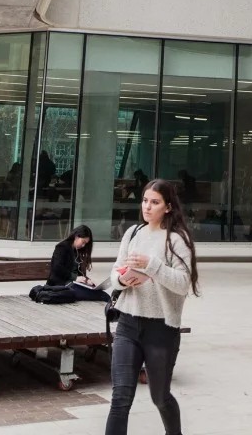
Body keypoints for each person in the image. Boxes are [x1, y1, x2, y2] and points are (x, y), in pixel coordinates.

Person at [108, 178, 198, 435]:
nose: (147, 207)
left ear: (168, 207)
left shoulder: (177, 240)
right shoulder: (133, 233)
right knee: (120, 398)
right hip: (128, 324)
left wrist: (152, 266)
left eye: (155, 202)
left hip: (161, 329)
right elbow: (115, 272)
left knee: (160, 397)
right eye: (145, 200)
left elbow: (183, 284)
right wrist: (123, 279)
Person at [48, 225, 111, 301]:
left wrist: (86, 280)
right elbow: (57, 268)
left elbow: (77, 272)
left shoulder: (77, 251)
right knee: (102, 296)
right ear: (76, 237)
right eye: (83, 242)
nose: (83, 245)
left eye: (86, 244)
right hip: (60, 285)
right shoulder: (62, 247)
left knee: (99, 293)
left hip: (72, 285)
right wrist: (75, 278)